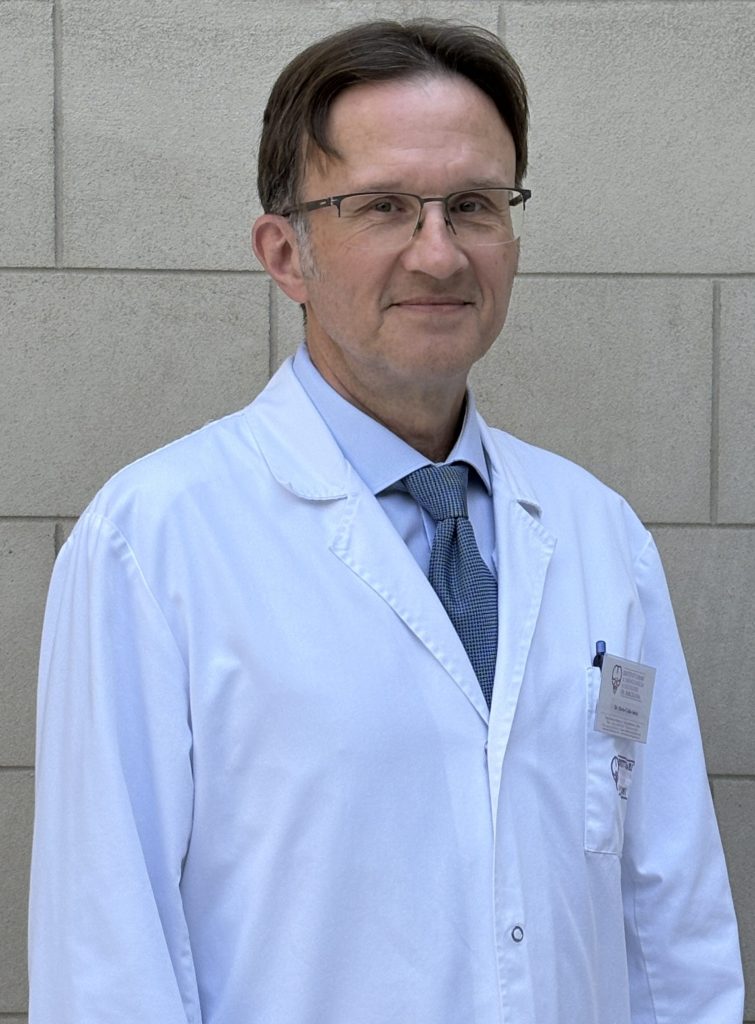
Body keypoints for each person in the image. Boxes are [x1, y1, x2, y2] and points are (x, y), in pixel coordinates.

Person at [29, 19, 744, 1024]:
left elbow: (670, 914)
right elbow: (107, 946)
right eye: (383, 207)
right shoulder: (152, 541)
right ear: (286, 252)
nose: (439, 253)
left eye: (474, 205)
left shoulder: (598, 532)